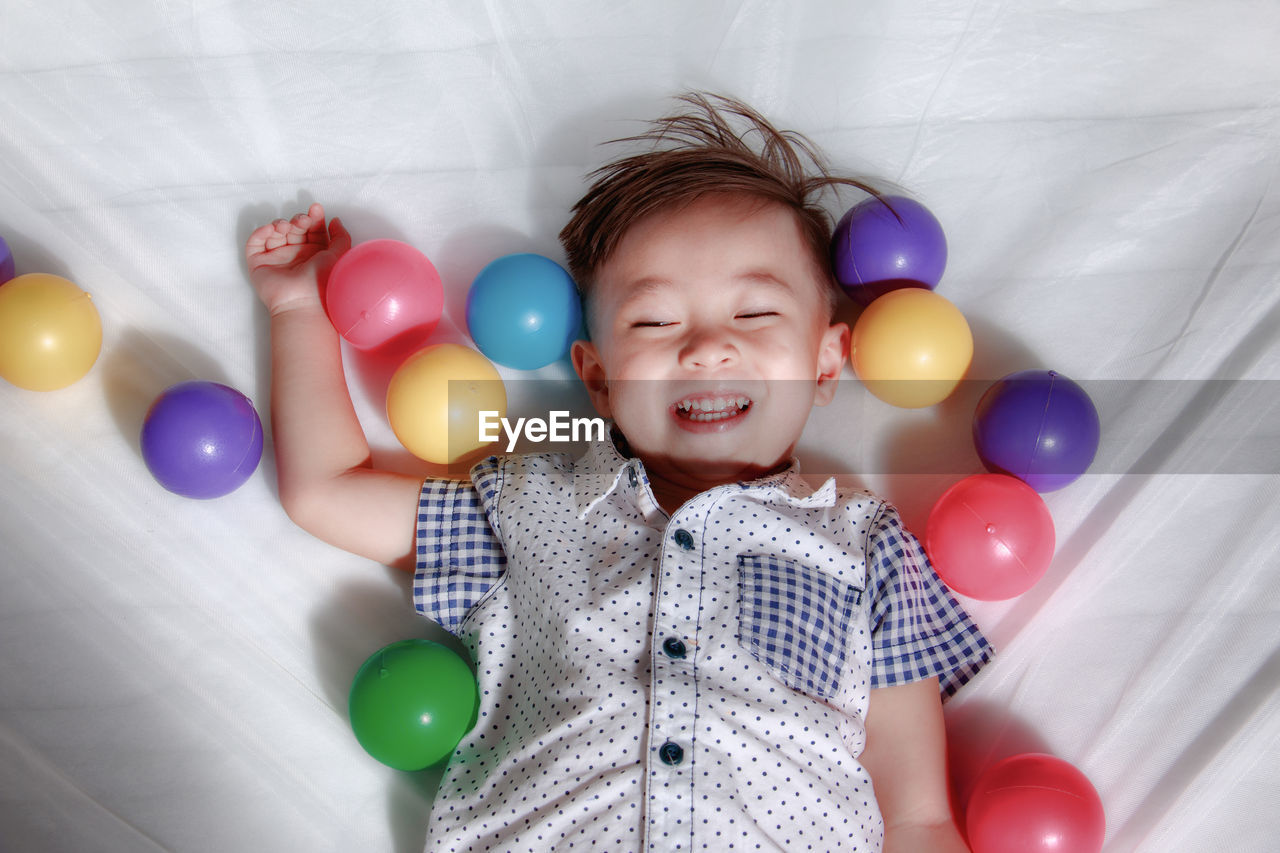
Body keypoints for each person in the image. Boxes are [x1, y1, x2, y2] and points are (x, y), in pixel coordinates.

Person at [246, 93, 992, 852]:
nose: (707, 348)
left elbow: (917, 815)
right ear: (597, 377)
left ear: (826, 361)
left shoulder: (863, 546)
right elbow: (326, 489)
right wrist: (297, 311)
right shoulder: (530, 505)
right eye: (656, 320)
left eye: (755, 314)